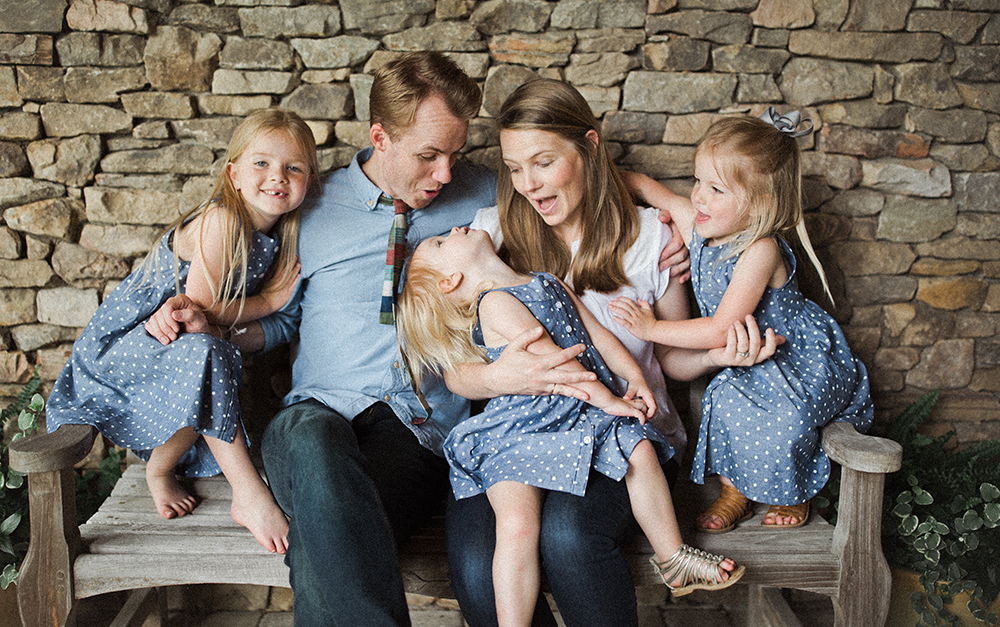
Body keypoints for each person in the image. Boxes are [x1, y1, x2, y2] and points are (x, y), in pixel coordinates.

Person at [144, 57, 761, 627]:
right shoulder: (316, 203)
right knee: (309, 441)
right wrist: (217, 324)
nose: (445, 174)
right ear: (380, 138)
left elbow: (570, 169)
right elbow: (281, 310)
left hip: (418, 433)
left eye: (456, 154)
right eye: (429, 155)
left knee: (338, 526)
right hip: (321, 412)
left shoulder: (484, 202)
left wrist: (668, 201)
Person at [448, 78, 779, 627]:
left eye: (544, 162)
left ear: (590, 146)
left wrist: (720, 355)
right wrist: (497, 377)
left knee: (568, 536)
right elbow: (450, 369)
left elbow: (671, 360)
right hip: (519, 438)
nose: (527, 184)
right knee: (478, 559)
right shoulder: (486, 239)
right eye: (513, 167)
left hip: (627, 437)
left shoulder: (653, 238)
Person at [398, 225, 744, 626]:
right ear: (450, 280)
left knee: (639, 448)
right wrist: (611, 400)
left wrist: (633, 377)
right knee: (517, 526)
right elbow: (560, 367)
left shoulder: (547, 281)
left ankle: (674, 558)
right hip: (521, 429)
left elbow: (598, 339)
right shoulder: (495, 303)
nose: (454, 228)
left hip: (577, 411)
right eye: (441, 242)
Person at [46, 107, 318, 554]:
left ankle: (160, 466)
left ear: (310, 179)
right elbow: (199, 310)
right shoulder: (224, 220)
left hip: (172, 349)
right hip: (125, 349)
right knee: (204, 350)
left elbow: (215, 324)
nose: (278, 177)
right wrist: (269, 302)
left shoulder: (278, 236)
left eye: (294, 167)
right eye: (261, 163)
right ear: (233, 173)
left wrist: (239, 322)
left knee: (207, 351)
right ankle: (246, 492)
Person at [609, 109, 873, 533]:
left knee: (788, 415)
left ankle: (792, 492)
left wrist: (650, 329)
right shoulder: (700, 226)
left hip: (792, 359)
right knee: (726, 401)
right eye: (697, 181)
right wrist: (595, 175)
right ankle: (734, 491)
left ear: (761, 204)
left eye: (716, 189)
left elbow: (721, 327)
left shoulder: (760, 250)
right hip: (744, 359)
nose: (697, 197)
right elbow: (644, 186)